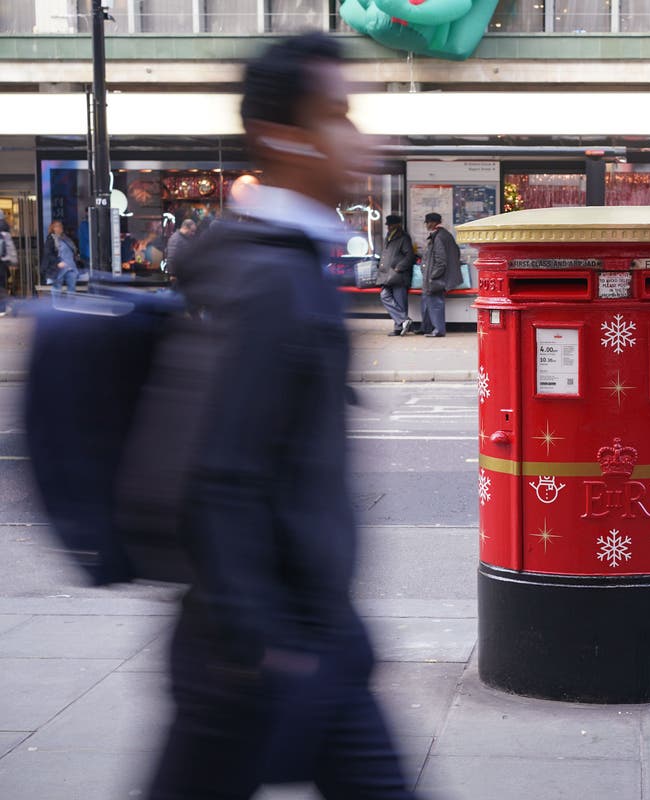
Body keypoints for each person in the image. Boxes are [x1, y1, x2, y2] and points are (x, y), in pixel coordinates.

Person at [145, 33, 416, 799]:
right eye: (338, 114)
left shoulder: (284, 265)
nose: (361, 136)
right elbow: (218, 474)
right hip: (263, 647)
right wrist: (261, 643)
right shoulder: (271, 282)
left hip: (299, 628)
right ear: (283, 136)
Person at [419, 211, 461, 338]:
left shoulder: (438, 237)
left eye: (427, 223)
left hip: (437, 278)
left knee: (435, 303)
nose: (426, 225)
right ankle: (426, 327)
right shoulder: (445, 235)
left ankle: (438, 330)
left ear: (432, 223)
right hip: (439, 276)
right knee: (426, 300)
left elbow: (441, 262)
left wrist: (432, 276)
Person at [376, 213, 416, 336]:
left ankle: (399, 328)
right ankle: (404, 320)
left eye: (391, 225)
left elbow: (409, 256)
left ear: (397, 225)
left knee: (400, 301)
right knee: (384, 295)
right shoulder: (388, 237)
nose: (388, 227)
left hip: (399, 276)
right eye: (388, 225)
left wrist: (398, 268)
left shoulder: (404, 238)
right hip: (389, 275)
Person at [41, 220, 81, 293]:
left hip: (70, 266)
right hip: (58, 268)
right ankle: (57, 304)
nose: (60, 227)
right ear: (53, 228)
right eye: (57, 226)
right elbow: (48, 254)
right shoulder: (51, 239)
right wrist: (58, 262)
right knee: (57, 287)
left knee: (72, 287)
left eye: (61, 226)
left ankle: (71, 304)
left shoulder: (65, 238)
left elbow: (73, 250)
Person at [0, 210, 15, 316]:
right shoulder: (5, 228)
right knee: (2, 285)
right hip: (2, 261)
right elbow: (9, 245)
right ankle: (2, 309)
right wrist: (13, 261)